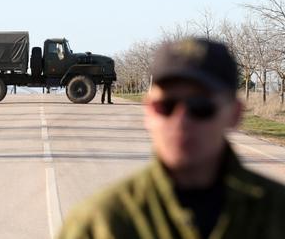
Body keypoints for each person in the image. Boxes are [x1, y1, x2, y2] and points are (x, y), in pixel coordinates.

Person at [58, 38, 285, 239]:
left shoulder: (276, 214)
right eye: (166, 106)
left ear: (235, 114)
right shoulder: (101, 224)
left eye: (200, 107)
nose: (181, 120)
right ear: (148, 112)